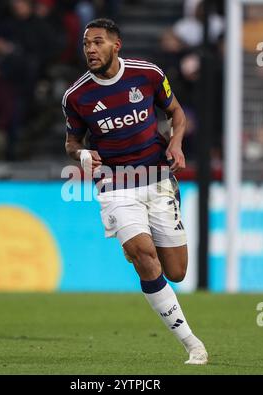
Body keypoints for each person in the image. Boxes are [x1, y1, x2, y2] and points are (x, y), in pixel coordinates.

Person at [62, 18, 208, 365]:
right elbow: (72, 142)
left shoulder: (148, 74)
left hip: (157, 178)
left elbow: (176, 113)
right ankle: (193, 345)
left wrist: (176, 143)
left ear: (117, 45)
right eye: (86, 44)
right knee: (143, 257)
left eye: (98, 42)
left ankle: (151, 233)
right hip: (115, 183)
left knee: (175, 272)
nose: (91, 50)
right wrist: (82, 154)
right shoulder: (76, 96)